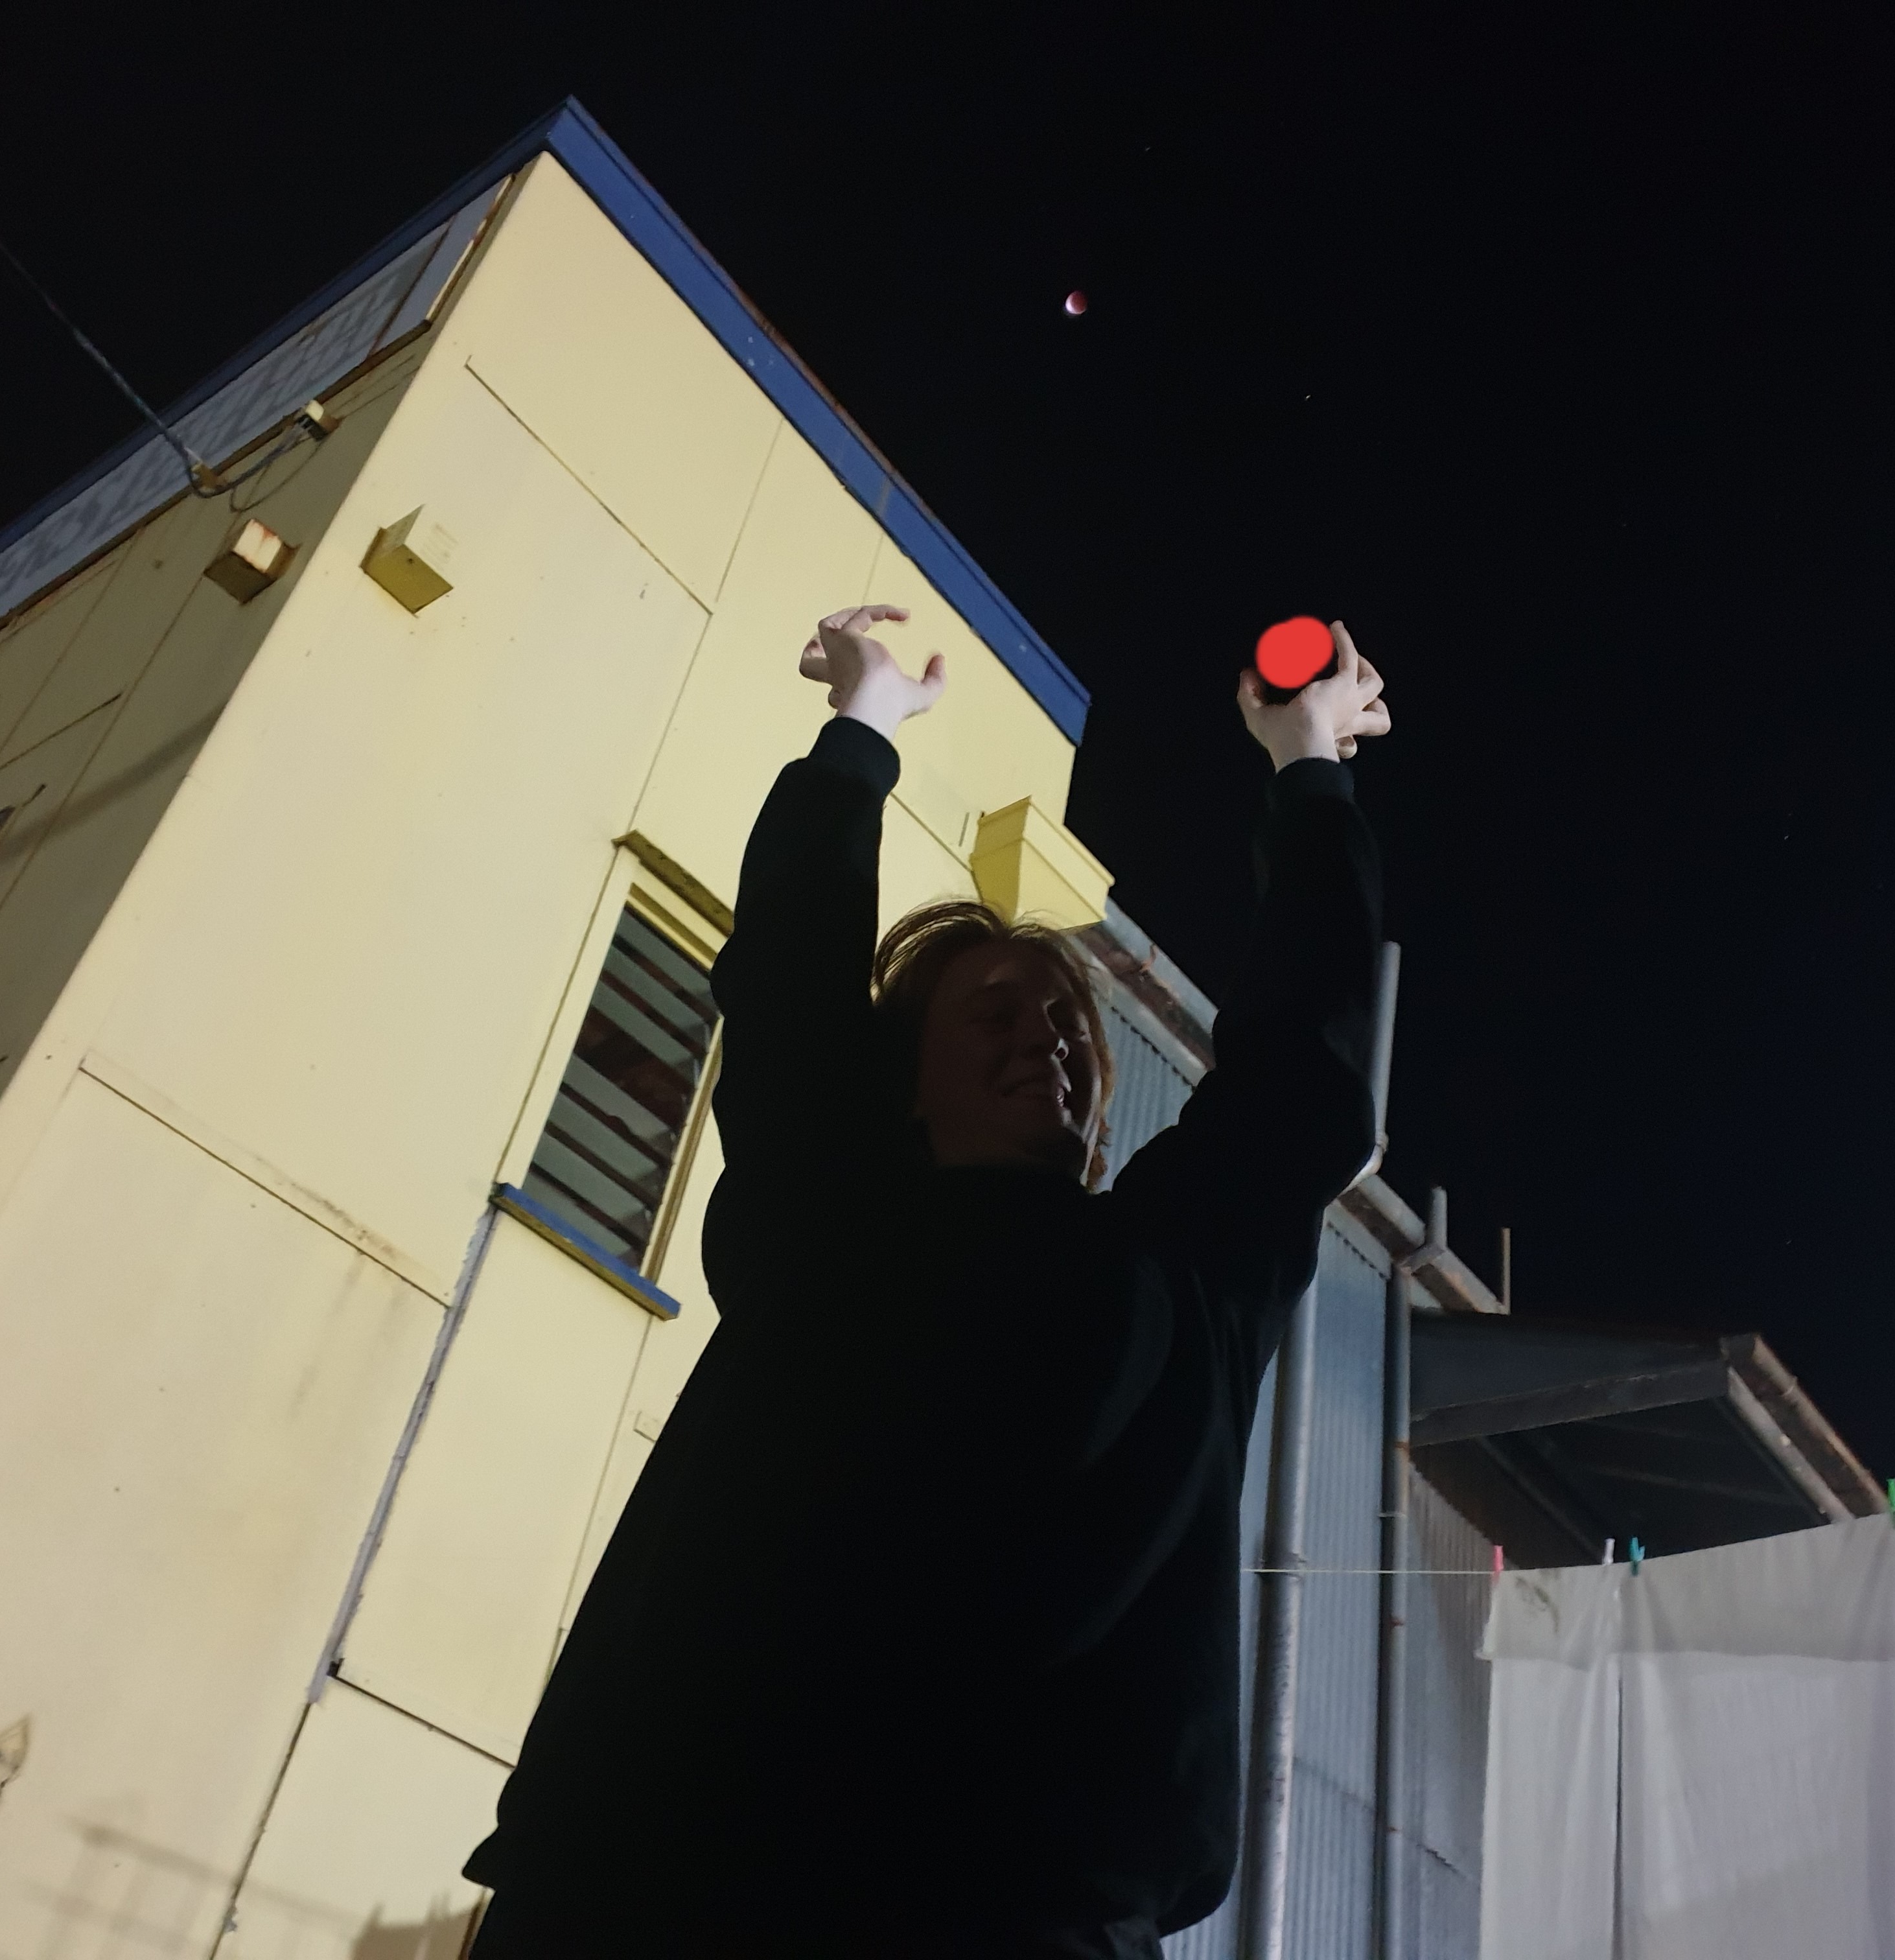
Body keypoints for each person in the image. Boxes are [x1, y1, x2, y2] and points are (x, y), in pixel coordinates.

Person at [464, 603, 1390, 1958]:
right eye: (995, 1015)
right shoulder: (828, 1221)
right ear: (904, 1085)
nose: (1048, 1040)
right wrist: (861, 730)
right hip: (665, 1884)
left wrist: (1310, 769)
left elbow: (1301, 1076)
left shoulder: (1174, 1275)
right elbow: (788, 990)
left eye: (1066, 1018)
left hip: (1016, 1914)